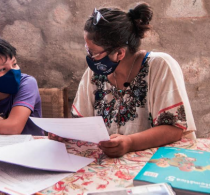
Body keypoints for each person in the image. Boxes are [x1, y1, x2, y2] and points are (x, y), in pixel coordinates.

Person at [52, 2, 196, 157]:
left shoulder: (160, 66)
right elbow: (82, 122)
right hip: (108, 164)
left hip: (156, 162)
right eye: (87, 50)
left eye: (93, 52)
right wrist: (65, 132)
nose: (90, 57)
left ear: (119, 53)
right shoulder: (94, 74)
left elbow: (174, 129)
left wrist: (130, 142)